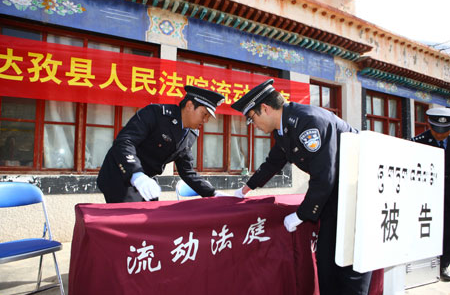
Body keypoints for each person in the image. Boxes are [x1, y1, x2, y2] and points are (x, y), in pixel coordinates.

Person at [230, 79, 372, 294]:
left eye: (252, 119)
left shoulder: (308, 122)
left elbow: (324, 176)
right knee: (327, 260)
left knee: (350, 264)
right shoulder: (284, 127)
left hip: (357, 194)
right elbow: (273, 162)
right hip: (336, 194)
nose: (254, 125)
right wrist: (245, 189)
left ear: (265, 109)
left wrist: (302, 214)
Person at [97, 85, 228, 203]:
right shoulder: (155, 114)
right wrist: (136, 174)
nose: (205, 120)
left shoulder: (190, 134)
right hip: (121, 175)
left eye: (208, 118)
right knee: (130, 221)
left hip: (147, 179)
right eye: (204, 114)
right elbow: (125, 142)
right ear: (189, 106)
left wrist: (212, 193)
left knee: (152, 220)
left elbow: (187, 171)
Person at [412, 107, 450, 281]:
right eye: (437, 131)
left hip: (448, 195)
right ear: (430, 125)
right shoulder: (419, 142)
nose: (440, 136)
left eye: (445, 131)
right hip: (426, 196)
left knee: (447, 231)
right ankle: (423, 267)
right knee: (426, 228)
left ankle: (444, 265)